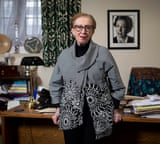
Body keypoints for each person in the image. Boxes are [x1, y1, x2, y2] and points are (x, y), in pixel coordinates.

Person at [49, 12, 125, 144]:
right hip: (70, 111)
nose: (83, 31)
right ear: (72, 30)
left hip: (98, 113)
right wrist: (57, 109)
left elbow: (116, 84)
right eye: (78, 27)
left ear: (93, 31)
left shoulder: (103, 53)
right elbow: (55, 84)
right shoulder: (64, 55)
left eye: (88, 27)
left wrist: (116, 109)